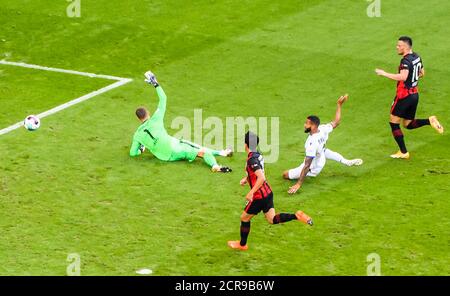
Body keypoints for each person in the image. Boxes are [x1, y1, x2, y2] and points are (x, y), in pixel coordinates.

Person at [130, 71, 232, 172]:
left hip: (165, 157)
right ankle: (215, 165)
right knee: (201, 151)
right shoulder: (156, 118)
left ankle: (222, 152)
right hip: (173, 147)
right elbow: (163, 99)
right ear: (148, 112)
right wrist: (156, 84)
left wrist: (141, 150)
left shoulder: (137, 135)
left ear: (138, 118)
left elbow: (132, 153)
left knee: (190, 145)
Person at [227, 131, 313, 251]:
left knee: (244, 218)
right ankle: (296, 216)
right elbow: (259, 172)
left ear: (245, 145)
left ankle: (242, 245)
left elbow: (261, 177)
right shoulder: (258, 155)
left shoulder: (251, 160)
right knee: (272, 219)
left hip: (258, 197)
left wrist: (251, 192)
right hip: (267, 193)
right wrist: (247, 179)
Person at [375, 36, 444, 159]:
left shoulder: (405, 61)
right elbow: (422, 73)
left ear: (405, 47)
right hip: (414, 95)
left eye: (399, 45)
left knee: (393, 123)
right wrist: (413, 78)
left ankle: (403, 152)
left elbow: (402, 77)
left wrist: (384, 73)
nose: (397, 47)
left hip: (404, 96)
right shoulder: (417, 56)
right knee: (407, 124)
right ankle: (430, 121)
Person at [284, 95, 363, 195]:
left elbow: (307, 165)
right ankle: (345, 161)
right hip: (321, 154)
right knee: (324, 151)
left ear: (313, 126)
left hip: (315, 166)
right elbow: (336, 122)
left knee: (285, 175)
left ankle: (307, 176)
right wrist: (339, 105)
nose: (304, 125)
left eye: (307, 123)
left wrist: (299, 183)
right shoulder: (323, 128)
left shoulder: (311, 143)